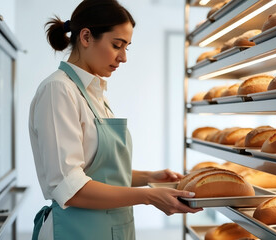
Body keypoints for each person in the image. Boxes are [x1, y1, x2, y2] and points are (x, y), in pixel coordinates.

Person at [29, 1, 202, 239]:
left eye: (126, 48)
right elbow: (70, 189)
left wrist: (149, 178)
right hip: (75, 231)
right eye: (116, 45)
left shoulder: (93, 92)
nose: (123, 58)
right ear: (86, 37)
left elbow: (100, 172)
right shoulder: (58, 90)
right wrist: (148, 196)